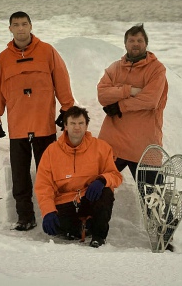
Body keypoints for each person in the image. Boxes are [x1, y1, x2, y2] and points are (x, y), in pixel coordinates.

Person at [0, 11, 75, 231]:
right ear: (10, 28)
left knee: (51, 175)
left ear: (31, 26)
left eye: (24, 24)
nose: (20, 29)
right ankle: (25, 217)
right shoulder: (3, 58)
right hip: (18, 127)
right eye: (16, 25)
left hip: (43, 125)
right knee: (20, 177)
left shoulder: (47, 51)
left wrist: (66, 109)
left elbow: (62, 79)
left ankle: (56, 216)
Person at [35, 106, 122, 248]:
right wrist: (48, 211)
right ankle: (82, 227)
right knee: (54, 227)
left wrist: (102, 180)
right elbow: (44, 186)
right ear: (65, 126)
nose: (77, 127)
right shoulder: (51, 152)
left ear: (86, 125)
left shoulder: (101, 147)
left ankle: (98, 236)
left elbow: (115, 176)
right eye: (73, 123)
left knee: (106, 191)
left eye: (81, 123)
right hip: (65, 201)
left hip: (90, 197)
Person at [97, 24, 168, 176]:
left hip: (143, 146)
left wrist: (120, 105)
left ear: (146, 44)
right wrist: (129, 90)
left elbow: (150, 100)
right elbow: (102, 95)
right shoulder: (115, 68)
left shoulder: (157, 69)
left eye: (140, 40)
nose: (135, 44)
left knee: (152, 196)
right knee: (98, 189)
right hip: (113, 142)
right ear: (125, 43)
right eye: (131, 40)